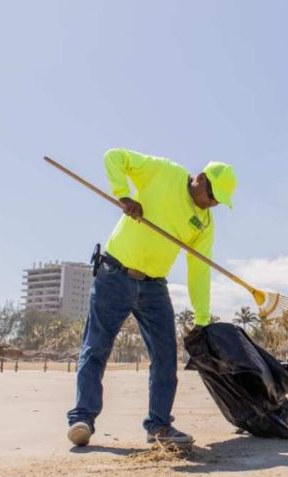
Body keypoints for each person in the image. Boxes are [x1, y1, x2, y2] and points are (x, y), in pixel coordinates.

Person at [66, 148, 237, 446]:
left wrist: (202, 318)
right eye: (212, 196)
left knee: (165, 355)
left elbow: (199, 270)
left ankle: (158, 426)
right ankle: (82, 418)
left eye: (219, 201)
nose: (213, 203)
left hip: (154, 287)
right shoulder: (164, 171)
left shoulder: (205, 224)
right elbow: (114, 156)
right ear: (199, 179)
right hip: (114, 274)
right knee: (95, 348)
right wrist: (124, 195)